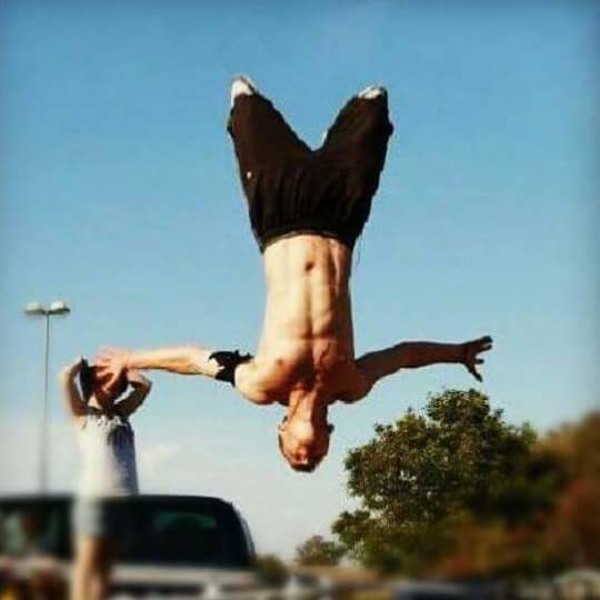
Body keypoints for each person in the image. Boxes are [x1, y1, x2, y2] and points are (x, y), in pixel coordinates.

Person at [96, 76, 493, 472]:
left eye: (295, 456)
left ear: (281, 429)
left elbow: (195, 359)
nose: (307, 455)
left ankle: (267, 124)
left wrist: (133, 358)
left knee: (244, 97)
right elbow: (404, 355)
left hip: (280, 216)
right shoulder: (351, 384)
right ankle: (340, 138)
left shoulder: (260, 383)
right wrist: (456, 353)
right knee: (374, 104)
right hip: (340, 218)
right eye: (316, 458)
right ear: (329, 439)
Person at [59, 357, 151, 600]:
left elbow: (145, 386)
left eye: (117, 384)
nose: (113, 387)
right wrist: (79, 366)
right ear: (92, 383)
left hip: (125, 501)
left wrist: (124, 370)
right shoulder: (82, 415)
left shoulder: (122, 413)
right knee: (86, 565)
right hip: (95, 499)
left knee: (105, 571)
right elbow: (64, 378)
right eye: (106, 382)